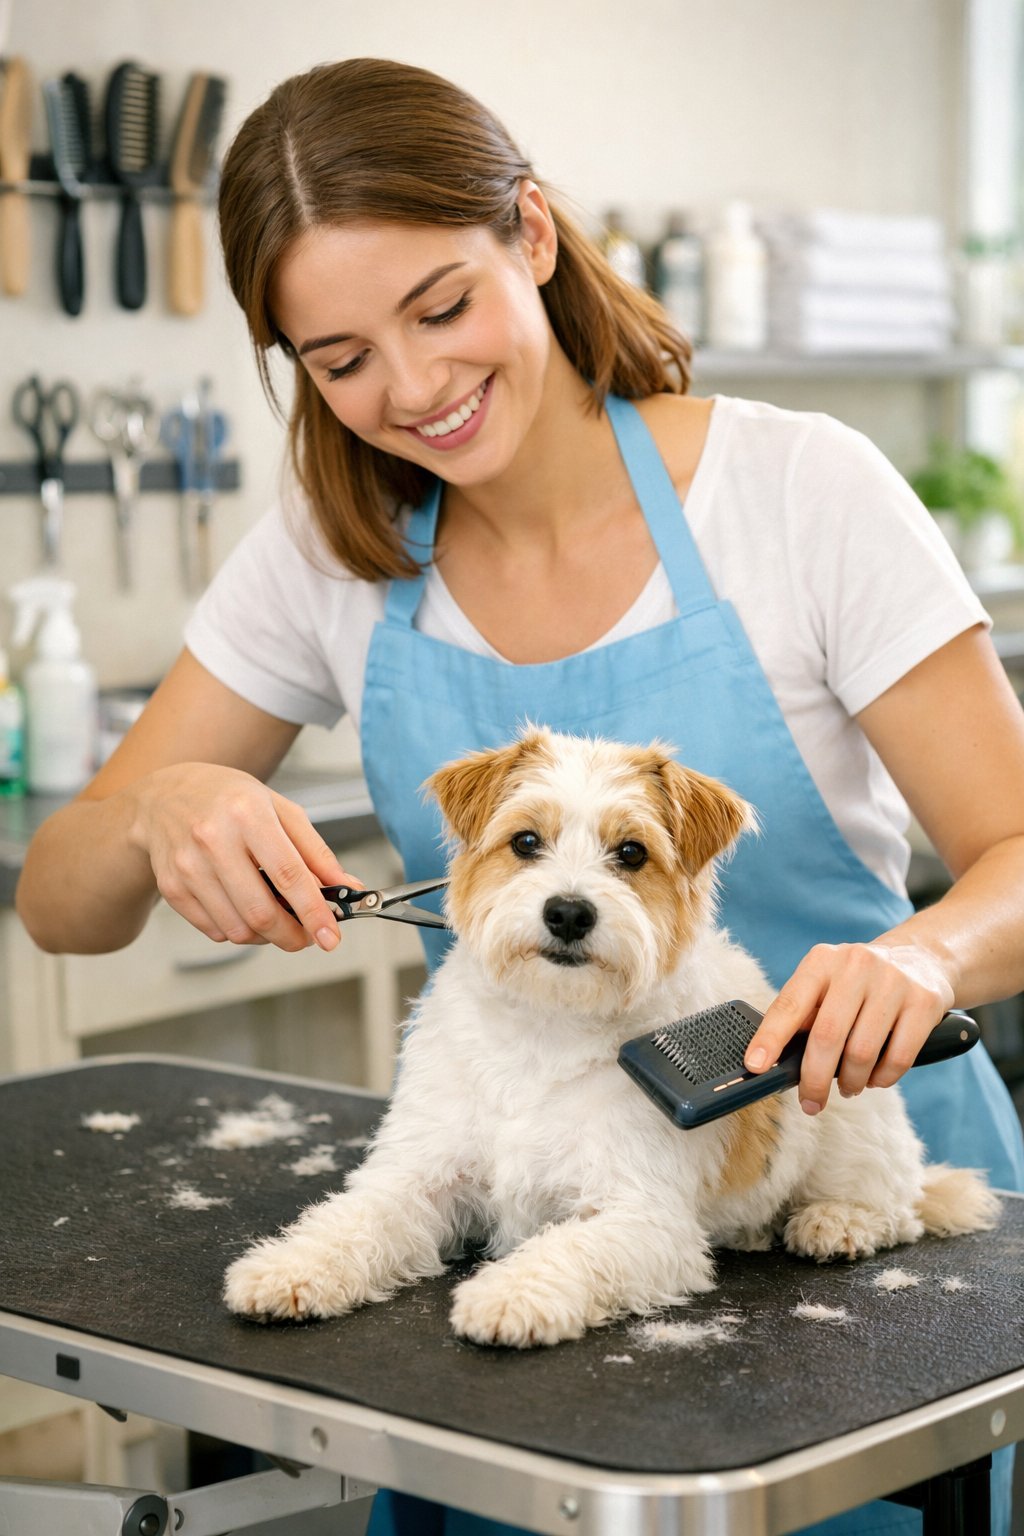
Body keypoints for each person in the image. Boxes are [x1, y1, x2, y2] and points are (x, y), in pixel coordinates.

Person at [15, 57, 1024, 1536]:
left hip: (866, 1251)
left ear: (533, 240)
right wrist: (163, 803)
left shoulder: (798, 490)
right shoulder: (329, 551)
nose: (412, 389)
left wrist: (924, 954)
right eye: (341, 358)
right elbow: (60, 899)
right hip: (534, 1208)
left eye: (440, 308)